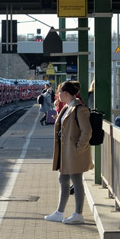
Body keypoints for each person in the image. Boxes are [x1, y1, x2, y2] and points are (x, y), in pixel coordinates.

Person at [44, 81, 93, 225]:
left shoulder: (79, 109)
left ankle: (78, 213)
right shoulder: (67, 107)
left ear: (65, 93)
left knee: (76, 181)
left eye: (59, 92)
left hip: (74, 153)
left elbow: (87, 131)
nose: (57, 95)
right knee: (63, 179)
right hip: (66, 153)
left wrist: (79, 149)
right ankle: (59, 212)